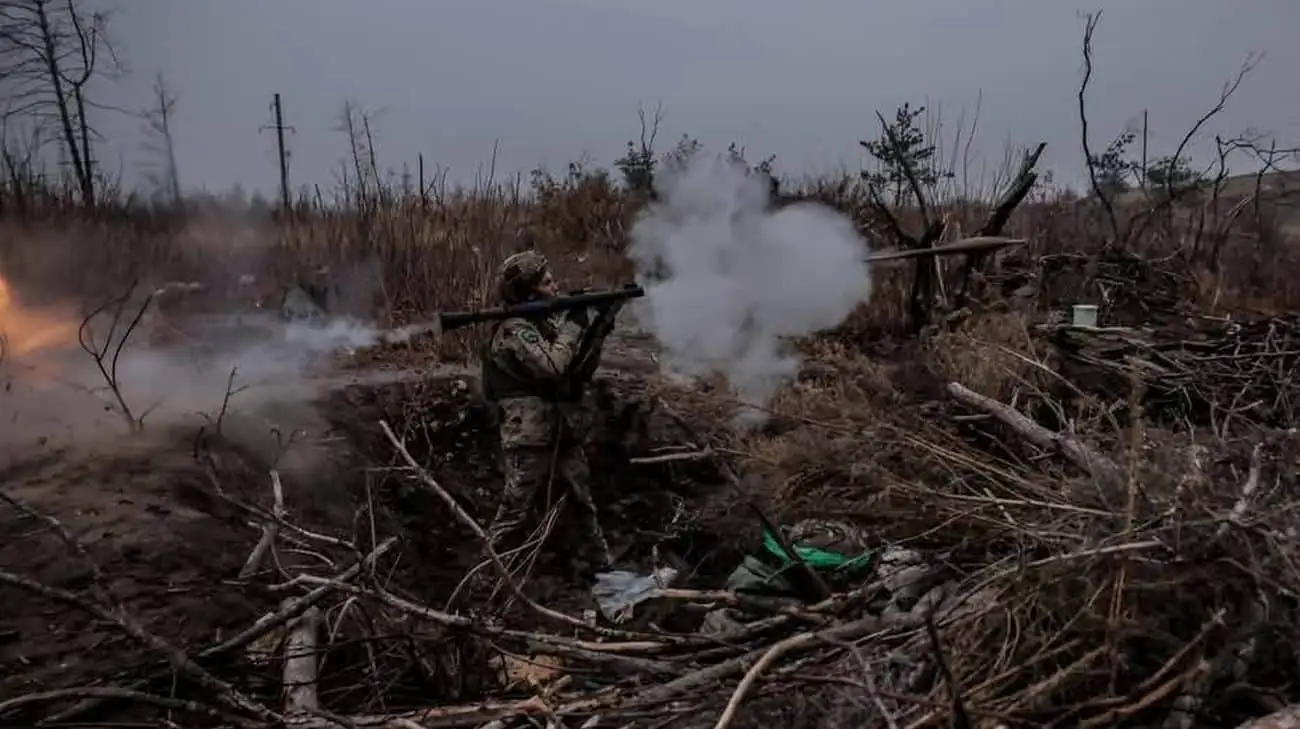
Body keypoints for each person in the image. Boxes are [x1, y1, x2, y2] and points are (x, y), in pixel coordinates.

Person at [479, 249, 616, 579]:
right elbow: (553, 366)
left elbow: (576, 371)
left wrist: (596, 325)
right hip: (528, 434)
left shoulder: (542, 324)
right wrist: (573, 326)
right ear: (529, 291)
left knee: (584, 506)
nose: (555, 287)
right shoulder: (515, 329)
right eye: (547, 282)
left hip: (560, 429)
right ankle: (484, 579)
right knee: (514, 513)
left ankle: (605, 571)